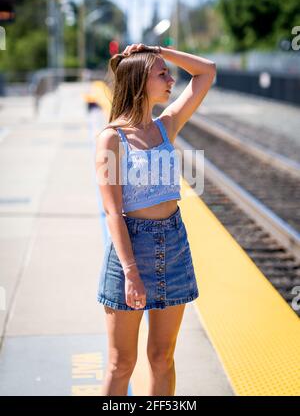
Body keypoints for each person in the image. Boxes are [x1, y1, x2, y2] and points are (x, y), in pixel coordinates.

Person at [95, 43, 216, 396]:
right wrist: (131, 271)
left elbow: (206, 71)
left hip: (173, 244)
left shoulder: (166, 127)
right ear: (138, 81)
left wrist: (158, 50)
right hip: (130, 251)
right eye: (162, 73)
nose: (171, 79)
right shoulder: (111, 139)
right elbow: (113, 212)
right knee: (122, 364)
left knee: (162, 357)